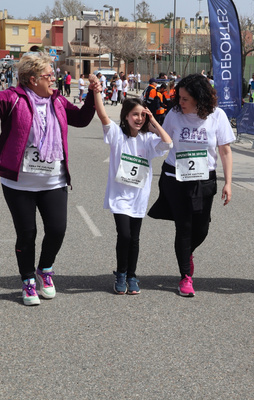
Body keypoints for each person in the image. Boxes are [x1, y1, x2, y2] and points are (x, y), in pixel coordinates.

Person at [0, 53, 101, 306]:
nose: (54, 78)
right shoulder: (12, 98)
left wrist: (92, 94)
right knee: (27, 234)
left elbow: (81, 119)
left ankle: (44, 269)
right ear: (33, 79)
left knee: (57, 230)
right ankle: (27, 280)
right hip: (19, 183)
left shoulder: (58, 101)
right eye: (48, 75)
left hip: (53, 180)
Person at [148, 73, 234, 297]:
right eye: (179, 97)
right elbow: (164, 139)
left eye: (185, 98)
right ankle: (185, 276)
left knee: (202, 229)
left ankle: (186, 253)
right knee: (184, 227)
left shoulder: (217, 116)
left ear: (199, 97)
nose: (180, 102)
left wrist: (228, 183)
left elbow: (225, 151)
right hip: (175, 177)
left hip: (204, 179)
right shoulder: (175, 114)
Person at [91, 76, 172, 295]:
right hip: (119, 196)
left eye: (142, 115)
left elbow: (167, 142)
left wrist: (153, 121)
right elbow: (103, 116)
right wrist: (96, 91)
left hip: (138, 197)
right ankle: (121, 273)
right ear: (126, 116)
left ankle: (132, 275)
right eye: (135, 114)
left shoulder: (148, 139)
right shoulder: (117, 136)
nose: (139, 118)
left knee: (134, 238)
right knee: (124, 235)